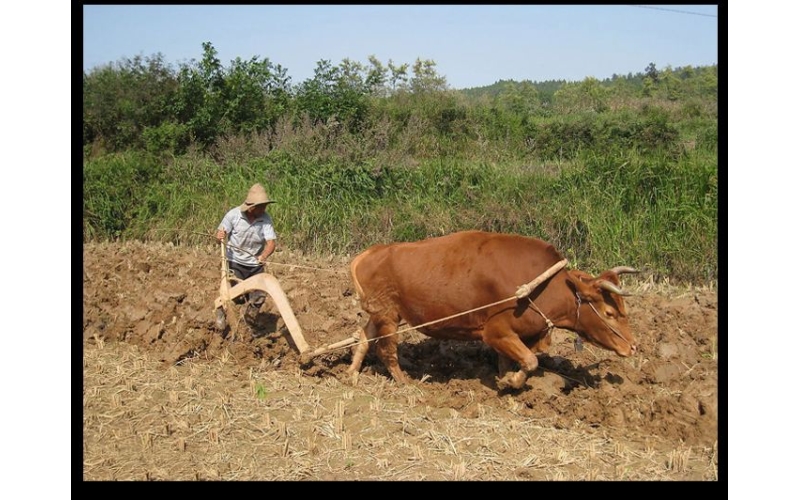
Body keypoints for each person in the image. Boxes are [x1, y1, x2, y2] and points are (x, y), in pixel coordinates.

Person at [214, 183, 277, 330]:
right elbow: (220, 237)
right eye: (261, 206)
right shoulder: (233, 215)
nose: (264, 209)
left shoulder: (265, 219)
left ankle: (246, 323)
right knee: (237, 296)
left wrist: (264, 255)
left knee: (259, 295)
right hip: (236, 262)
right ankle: (222, 311)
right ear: (251, 207)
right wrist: (220, 236)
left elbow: (271, 243)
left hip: (256, 265)